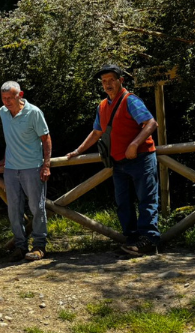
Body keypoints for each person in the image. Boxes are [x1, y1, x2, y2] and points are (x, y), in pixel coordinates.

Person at [67, 64, 160, 255]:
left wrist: (134, 144)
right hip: (118, 162)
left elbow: (151, 123)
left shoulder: (130, 100)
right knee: (123, 203)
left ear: (121, 80)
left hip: (141, 158)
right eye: (104, 81)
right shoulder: (102, 106)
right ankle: (132, 240)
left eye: (111, 80)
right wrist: (78, 150)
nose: (107, 84)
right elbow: (96, 132)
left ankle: (149, 241)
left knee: (146, 200)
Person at [0, 81, 52, 262]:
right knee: (13, 209)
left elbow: (46, 138)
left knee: (37, 207)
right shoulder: (3, 112)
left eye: (10, 98)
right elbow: (11, 138)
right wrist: (5, 158)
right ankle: (20, 246)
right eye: (4, 98)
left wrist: (46, 165)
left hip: (33, 167)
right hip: (11, 169)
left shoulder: (34, 112)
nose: (7, 102)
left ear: (20, 95)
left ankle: (39, 245)